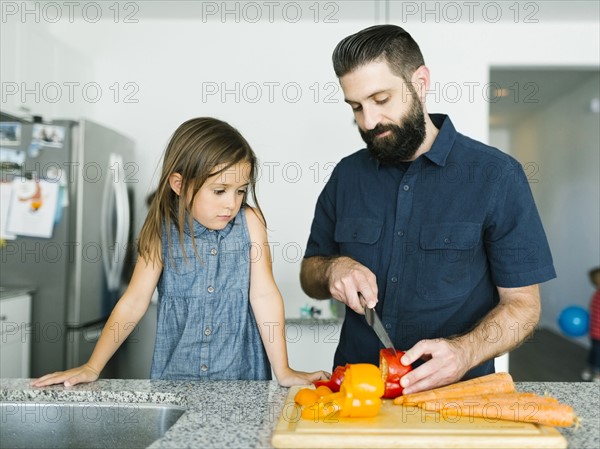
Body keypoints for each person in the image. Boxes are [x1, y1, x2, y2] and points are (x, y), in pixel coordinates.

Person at [300, 25, 556, 395]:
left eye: (381, 99)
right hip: (358, 394)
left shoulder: (497, 176)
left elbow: (523, 307)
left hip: (460, 398)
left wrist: (464, 352)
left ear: (419, 82)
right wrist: (334, 268)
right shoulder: (347, 175)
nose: (368, 121)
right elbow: (310, 275)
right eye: (356, 106)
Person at [32, 117, 328, 387]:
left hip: (242, 382)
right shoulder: (162, 231)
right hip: (176, 382)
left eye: (240, 191)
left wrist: (284, 370)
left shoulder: (250, 223)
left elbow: (264, 295)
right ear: (179, 184)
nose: (231, 204)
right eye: (219, 190)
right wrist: (93, 366)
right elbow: (134, 301)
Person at [582, 267, 600, 382]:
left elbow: (591, 310)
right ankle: (597, 373)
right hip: (597, 332)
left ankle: (589, 370)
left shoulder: (595, 294)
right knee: (597, 354)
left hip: (593, 332)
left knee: (594, 352)